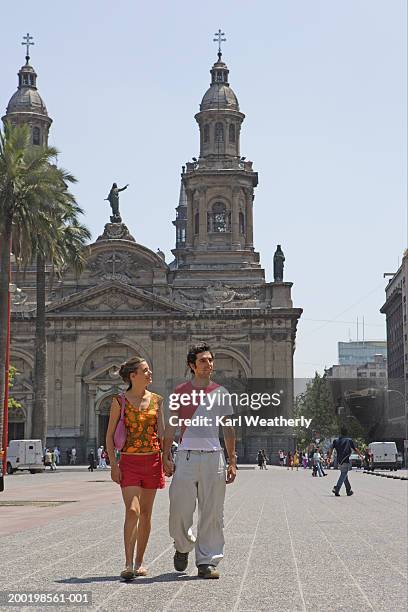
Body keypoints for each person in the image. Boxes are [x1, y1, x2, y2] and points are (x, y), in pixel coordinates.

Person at [162, 343, 237, 580]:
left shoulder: (221, 392)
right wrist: (166, 454)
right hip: (185, 456)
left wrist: (232, 459)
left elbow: (228, 427)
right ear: (192, 365)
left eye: (211, 360)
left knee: (212, 512)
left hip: (214, 457)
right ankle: (183, 545)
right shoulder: (180, 392)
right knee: (178, 509)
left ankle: (207, 561)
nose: (209, 364)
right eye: (203, 360)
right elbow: (172, 424)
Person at [106, 356, 165, 580]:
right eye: (146, 370)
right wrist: (113, 464)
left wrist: (167, 457)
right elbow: (110, 436)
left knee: (147, 514)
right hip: (129, 462)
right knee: (133, 511)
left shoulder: (157, 400)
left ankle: (140, 562)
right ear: (133, 376)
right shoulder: (118, 402)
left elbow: (162, 433)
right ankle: (128, 563)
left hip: (152, 461)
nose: (150, 373)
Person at [328, 426, 364, 496]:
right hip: (346, 459)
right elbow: (355, 449)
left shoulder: (336, 440)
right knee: (344, 474)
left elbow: (331, 449)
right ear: (346, 433)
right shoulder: (349, 440)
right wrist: (361, 456)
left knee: (344, 475)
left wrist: (329, 458)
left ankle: (348, 490)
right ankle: (337, 488)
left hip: (339, 461)